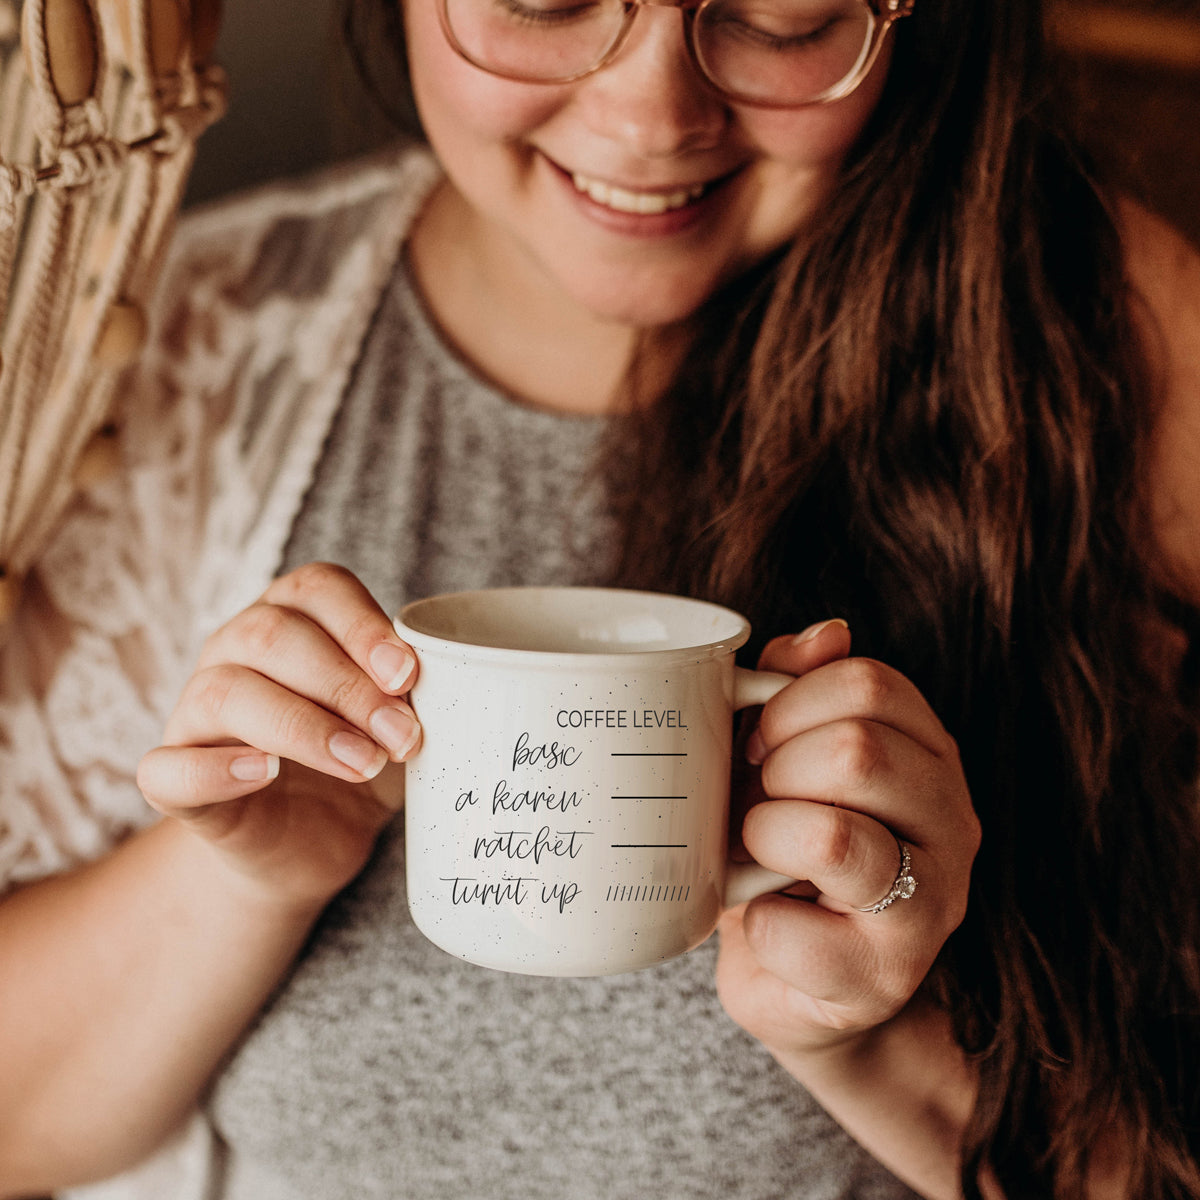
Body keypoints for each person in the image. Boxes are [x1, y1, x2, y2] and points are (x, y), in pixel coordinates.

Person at [0, 0, 1198, 1195]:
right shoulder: (163, 351)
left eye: (780, 14)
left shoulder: (1116, 352)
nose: (651, 116)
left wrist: (875, 1041)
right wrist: (236, 878)